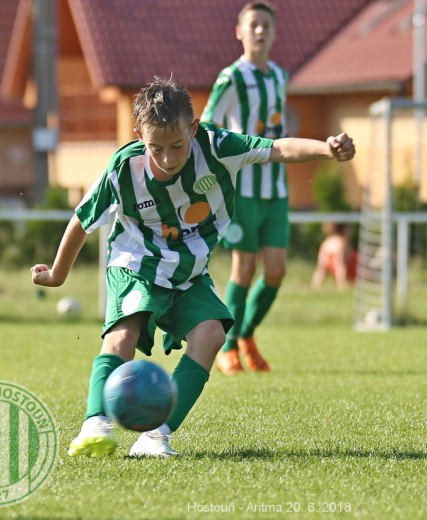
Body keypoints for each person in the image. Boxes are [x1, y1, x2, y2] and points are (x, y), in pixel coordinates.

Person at [31, 78, 355, 457]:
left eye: (177, 145)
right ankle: (94, 425)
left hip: (189, 271)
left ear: (194, 128)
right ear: (139, 135)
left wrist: (327, 150)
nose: (168, 158)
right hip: (137, 263)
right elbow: (81, 220)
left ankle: (154, 438)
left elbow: (278, 148)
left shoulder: (217, 147)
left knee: (212, 334)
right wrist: (56, 274)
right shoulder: (124, 168)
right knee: (123, 336)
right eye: (156, 148)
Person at [201, 1, 290, 375]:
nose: (259, 31)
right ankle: (229, 346)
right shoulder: (231, 77)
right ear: (239, 31)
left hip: (277, 189)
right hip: (243, 188)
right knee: (244, 267)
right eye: (253, 25)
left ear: (273, 32)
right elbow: (207, 124)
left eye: (265, 25)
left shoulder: (280, 76)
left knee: (276, 271)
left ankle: (247, 335)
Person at [310, 222, 357, 291]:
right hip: (342, 264)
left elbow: (321, 267)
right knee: (340, 267)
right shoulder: (342, 242)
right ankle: (341, 287)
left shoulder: (326, 242)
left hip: (328, 260)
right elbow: (340, 265)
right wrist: (342, 284)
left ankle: (314, 287)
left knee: (321, 271)